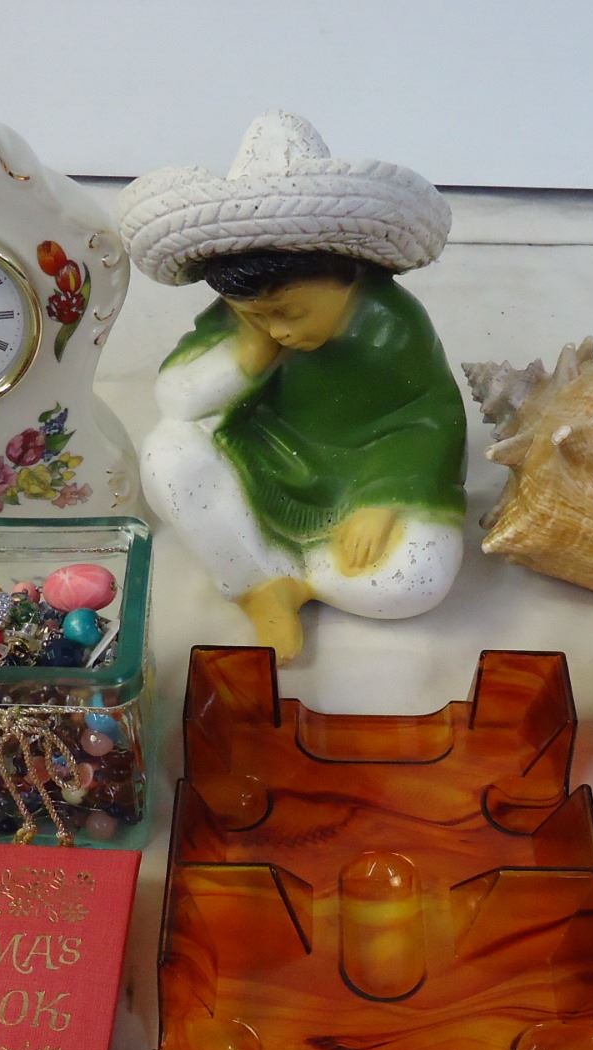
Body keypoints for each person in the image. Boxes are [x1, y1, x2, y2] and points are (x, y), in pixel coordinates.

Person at [119, 112, 468, 662]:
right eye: (256, 316)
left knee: (415, 577)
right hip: (264, 459)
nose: (278, 331)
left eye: (291, 312)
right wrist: (245, 356)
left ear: (349, 275)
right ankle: (260, 583)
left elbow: (427, 416)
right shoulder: (243, 325)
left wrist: (383, 500)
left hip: (364, 477)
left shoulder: (391, 325)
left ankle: (279, 566)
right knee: (167, 454)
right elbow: (178, 400)